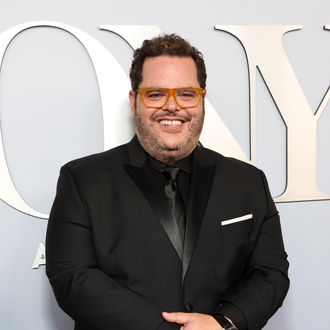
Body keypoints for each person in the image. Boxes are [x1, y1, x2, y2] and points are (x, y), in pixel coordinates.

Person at [46, 33, 289, 330]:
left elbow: (271, 272)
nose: (172, 106)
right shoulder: (82, 180)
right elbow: (72, 277)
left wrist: (223, 323)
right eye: (156, 94)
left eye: (186, 94)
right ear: (135, 101)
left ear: (202, 99)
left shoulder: (248, 181)